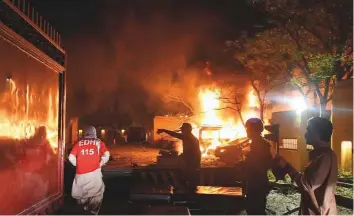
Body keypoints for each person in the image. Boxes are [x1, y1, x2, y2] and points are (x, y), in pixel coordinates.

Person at [276, 117, 338, 215]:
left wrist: (288, 167)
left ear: (317, 133)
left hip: (318, 212)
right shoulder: (324, 154)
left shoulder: (324, 156)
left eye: (309, 130)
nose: (305, 134)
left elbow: (307, 184)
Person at [68, 126, 110, 214]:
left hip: (80, 176)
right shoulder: (99, 142)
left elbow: (71, 157)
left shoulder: (78, 143)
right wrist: (100, 163)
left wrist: (78, 164)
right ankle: (92, 212)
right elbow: (106, 154)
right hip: (94, 175)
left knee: (81, 196)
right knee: (97, 195)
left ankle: (84, 211)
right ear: (94, 133)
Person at [157, 123, 201, 190]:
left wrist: (164, 130)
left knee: (188, 179)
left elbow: (175, 134)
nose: (182, 131)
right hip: (192, 162)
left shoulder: (188, 137)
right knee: (189, 180)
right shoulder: (190, 137)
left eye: (183, 129)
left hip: (192, 163)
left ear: (188, 130)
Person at [242, 118, 273, 215]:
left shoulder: (260, 145)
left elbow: (255, 164)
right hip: (257, 182)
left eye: (247, 128)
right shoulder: (257, 143)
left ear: (254, 129)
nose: (246, 130)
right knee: (254, 208)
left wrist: (242, 164)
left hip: (257, 183)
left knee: (254, 209)